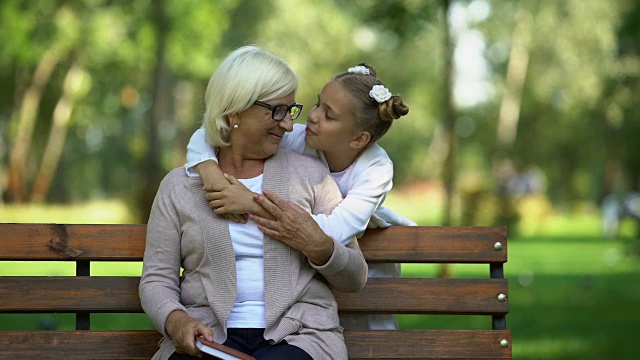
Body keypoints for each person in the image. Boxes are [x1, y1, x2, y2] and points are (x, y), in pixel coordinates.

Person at [139, 45, 368, 360]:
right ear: (234, 112)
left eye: (291, 110)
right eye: (278, 111)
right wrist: (175, 320)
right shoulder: (180, 187)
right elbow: (156, 279)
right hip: (209, 338)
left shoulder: (312, 176)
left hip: (299, 338)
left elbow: (355, 275)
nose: (288, 125)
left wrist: (318, 245)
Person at [185, 64, 415, 330]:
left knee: (371, 331)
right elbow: (210, 132)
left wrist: (252, 203)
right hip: (307, 261)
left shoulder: (376, 169)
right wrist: (208, 168)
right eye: (318, 104)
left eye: (329, 115)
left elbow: (334, 231)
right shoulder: (300, 138)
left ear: (358, 138)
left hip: (364, 260)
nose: (313, 117)